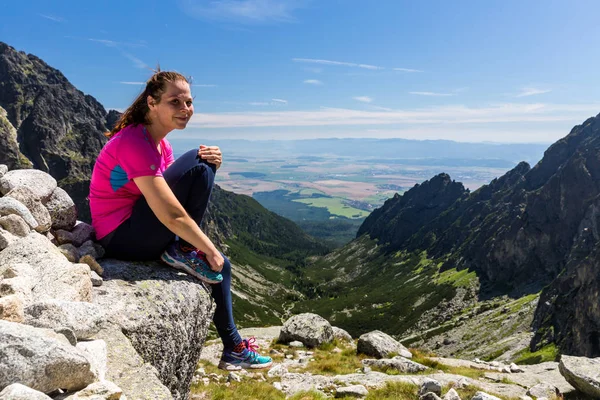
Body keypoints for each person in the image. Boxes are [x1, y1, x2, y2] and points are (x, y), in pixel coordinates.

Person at [89, 70, 272, 370]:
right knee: (200, 166)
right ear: (152, 103)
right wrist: (207, 249)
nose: (185, 109)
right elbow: (172, 213)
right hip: (120, 236)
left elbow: (177, 197)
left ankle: (234, 348)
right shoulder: (134, 142)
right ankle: (183, 250)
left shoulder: (160, 145)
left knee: (220, 262)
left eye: (188, 102)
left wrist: (209, 251)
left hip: (137, 227)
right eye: (175, 102)